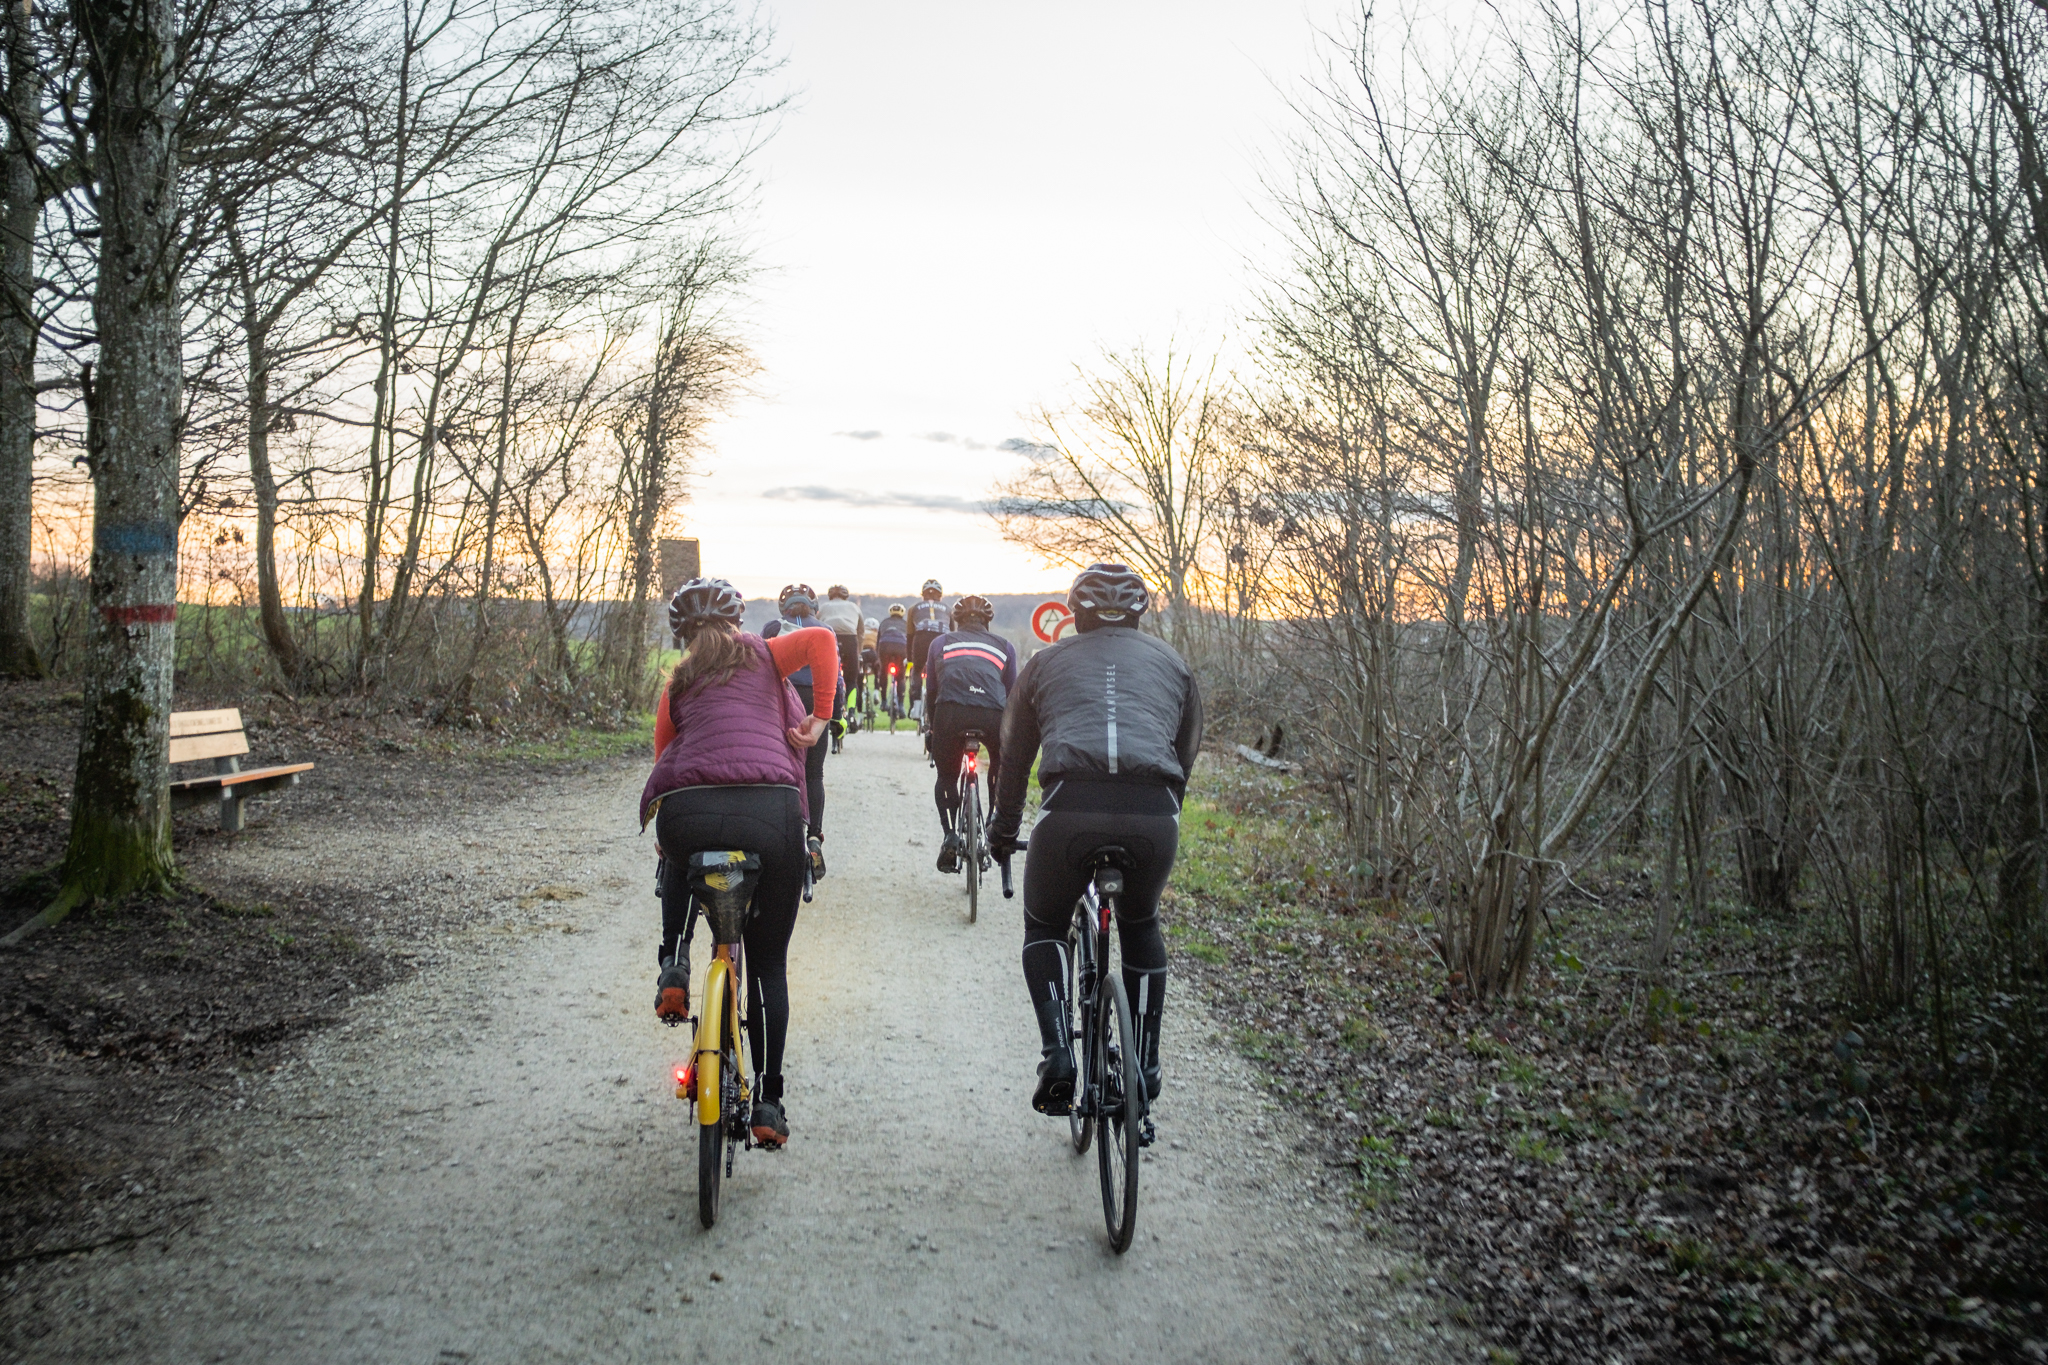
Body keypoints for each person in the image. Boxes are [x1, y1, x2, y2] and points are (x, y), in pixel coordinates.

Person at [987, 564, 1202, 1117]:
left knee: (1044, 926)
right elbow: (1187, 751)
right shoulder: (1174, 665)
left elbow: (1014, 758)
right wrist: (1163, 810)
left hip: (1069, 814)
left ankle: (1059, 1054)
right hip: (1151, 814)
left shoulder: (1043, 663)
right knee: (1140, 921)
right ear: (1139, 614)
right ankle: (1146, 1065)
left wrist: (1005, 830)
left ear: (1074, 614)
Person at [641, 577, 839, 1148]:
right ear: (736, 625)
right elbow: (823, 640)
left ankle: (675, 963)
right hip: (771, 814)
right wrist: (820, 719)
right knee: (769, 964)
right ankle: (770, 1104)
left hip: (690, 811)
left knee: (674, 854)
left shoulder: (677, 682)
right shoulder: (765, 654)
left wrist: (665, 832)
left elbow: (663, 759)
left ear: (684, 637)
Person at [919, 594, 1018, 873]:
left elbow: (933, 692)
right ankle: (990, 822)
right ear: (988, 621)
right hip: (992, 714)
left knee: (947, 776)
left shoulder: (940, 643)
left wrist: (933, 727)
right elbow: (1012, 694)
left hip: (951, 712)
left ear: (956, 620)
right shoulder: (1005, 647)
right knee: (1000, 766)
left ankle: (950, 834)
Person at [760, 584, 839, 877]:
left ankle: (772, 833)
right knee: (814, 772)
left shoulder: (772, 626)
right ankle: (814, 836)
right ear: (813, 607)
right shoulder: (826, 631)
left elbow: (758, 667)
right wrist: (834, 716)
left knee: (775, 768)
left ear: (785, 608)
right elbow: (836, 679)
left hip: (783, 696)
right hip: (816, 700)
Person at [817, 586, 863, 734]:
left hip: (830, 638)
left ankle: (828, 712)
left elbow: (816, 627)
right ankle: (850, 714)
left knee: (827, 678)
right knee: (851, 681)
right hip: (850, 640)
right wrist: (858, 652)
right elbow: (860, 632)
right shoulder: (854, 607)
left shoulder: (824, 608)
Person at [906, 579, 949, 716]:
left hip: (921, 638)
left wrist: (910, 659)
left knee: (917, 670)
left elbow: (909, 635)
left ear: (923, 595)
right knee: (942, 671)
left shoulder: (914, 608)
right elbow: (953, 633)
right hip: (942, 638)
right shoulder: (948, 609)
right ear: (940, 595)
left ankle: (917, 706)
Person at [875, 604, 910, 713]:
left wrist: (878, 657)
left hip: (885, 647)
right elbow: (909, 640)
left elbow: (878, 641)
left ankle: (884, 701)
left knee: (884, 673)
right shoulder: (906, 624)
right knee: (900, 676)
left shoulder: (884, 622)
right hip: (901, 648)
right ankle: (901, 705)